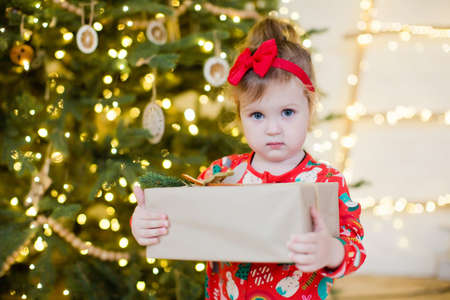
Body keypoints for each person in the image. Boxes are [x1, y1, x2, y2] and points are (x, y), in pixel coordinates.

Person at [131, 16, 366, 300]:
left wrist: (331, 250)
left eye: (287, 112)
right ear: (240, 114)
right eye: (257, 115)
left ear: (310, 108)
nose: (273, 128)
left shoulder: (324, 180)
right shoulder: (223, 173)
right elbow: (185, 221)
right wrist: (146, 222)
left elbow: (354, 243)